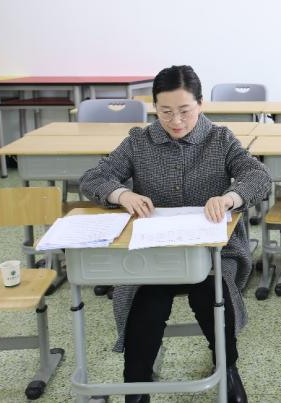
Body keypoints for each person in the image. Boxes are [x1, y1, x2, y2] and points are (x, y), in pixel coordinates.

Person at [80, 65, 271, 403]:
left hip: (212, 254)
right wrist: (121, 194)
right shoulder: (139, 141)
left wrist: (229, 198)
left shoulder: (220, 139)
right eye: (165, 111)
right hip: (155, 254)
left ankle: (227, 368)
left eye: (185, 110)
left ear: (201, 104)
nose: (176, 120)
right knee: (145, 304)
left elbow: (258, 176)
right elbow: (94, 178)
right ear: (154, 107)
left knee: (213, 296)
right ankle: (136, 385)